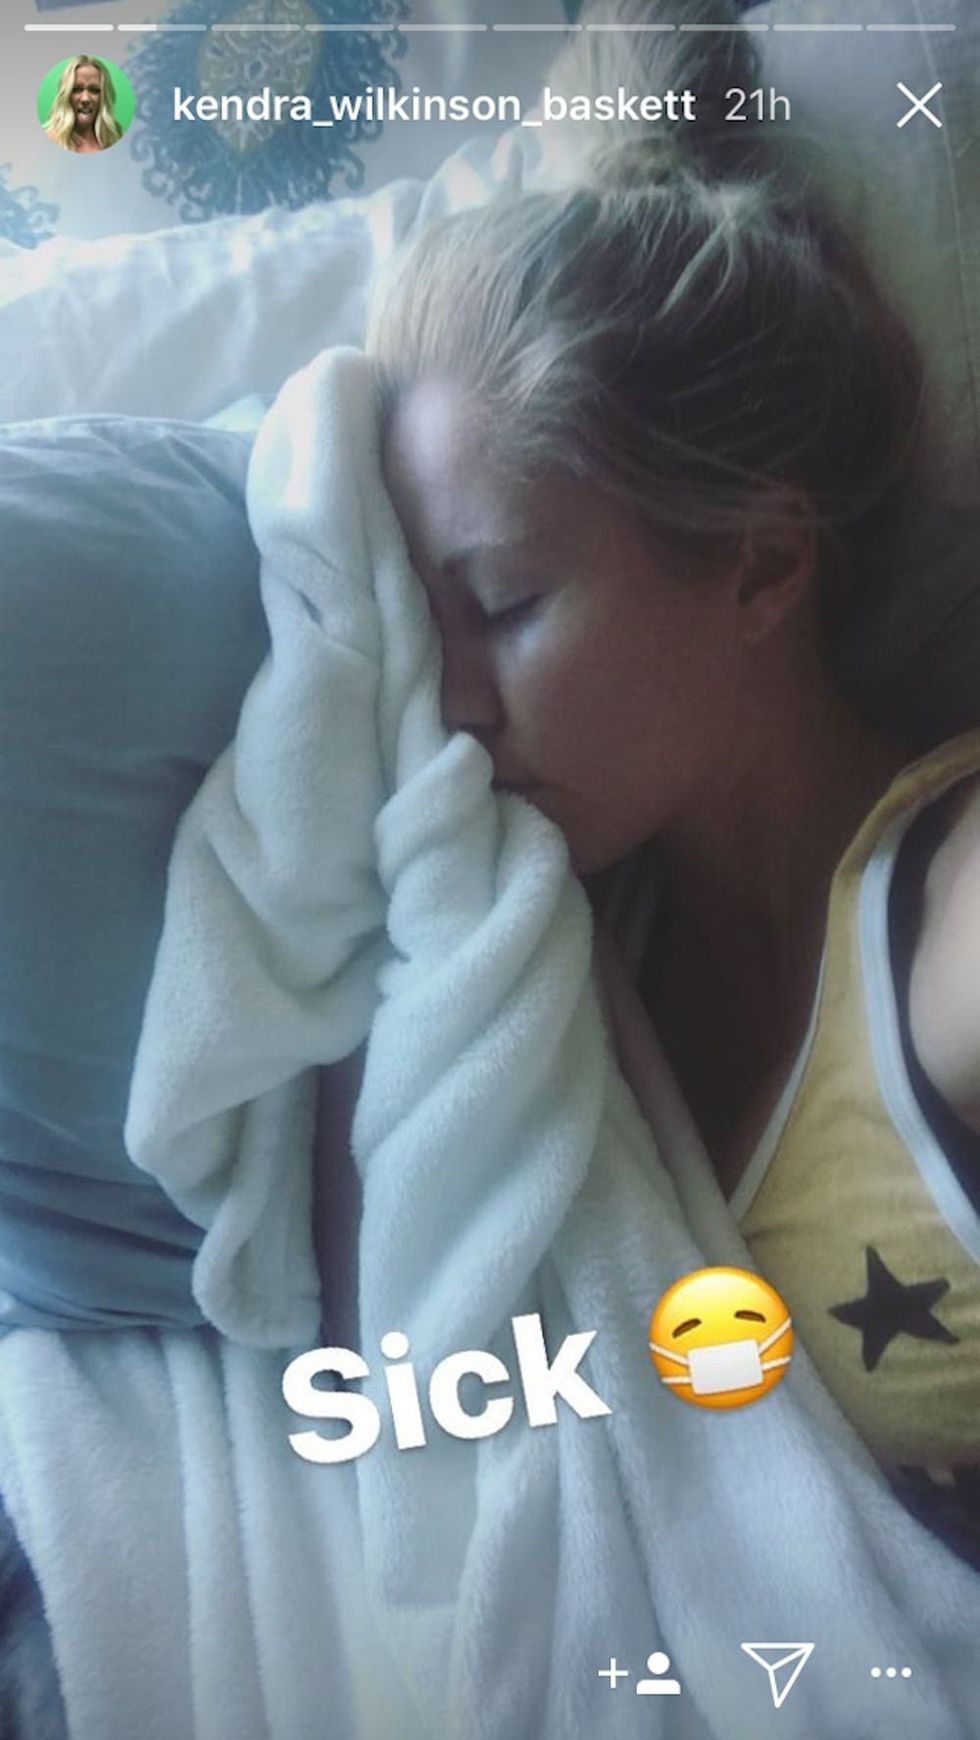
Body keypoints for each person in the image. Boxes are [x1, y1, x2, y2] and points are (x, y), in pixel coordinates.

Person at [365, 0, 980, 1564]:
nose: (450, 704)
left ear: (762, 565)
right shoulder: (547, 974)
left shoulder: (953, 935)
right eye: (422, 628)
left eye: (503, 605)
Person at [43, 56, 123, 155]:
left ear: (104, 96)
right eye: (77, 90)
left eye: (94, 90)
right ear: (66, 95)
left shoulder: (115, 137)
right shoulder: (47, 141)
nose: (85, 99)